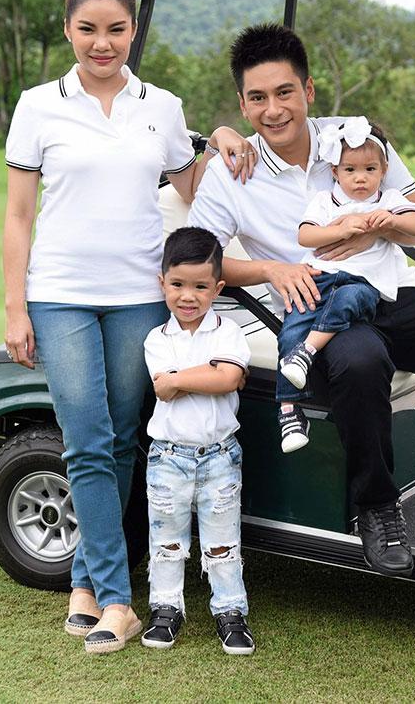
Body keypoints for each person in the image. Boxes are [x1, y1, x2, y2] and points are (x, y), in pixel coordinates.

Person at [188, 23, 415, 577]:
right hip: (319, 310)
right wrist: (271, 268)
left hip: (392, 293)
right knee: (361, 361)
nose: (273, 110)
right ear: (242, 103)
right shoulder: (231, 171)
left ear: (308, 90)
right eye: (257, 98)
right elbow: (201, 262)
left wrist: (379, 227)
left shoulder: (357, 141)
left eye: (284, 92)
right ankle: (377, 508)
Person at [1, 0, 255, 655]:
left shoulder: (162, 107)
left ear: (133, 30)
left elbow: (198, 191)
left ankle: (86, 583)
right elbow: (18, 217)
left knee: (118, 441)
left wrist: (221, 136)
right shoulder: (37, 106)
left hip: (139, 297)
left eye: (115, 29)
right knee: (86, 440)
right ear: (68, 30)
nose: (102, 43)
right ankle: (119, 600)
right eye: (88, 29)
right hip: (60, 295)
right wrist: (16, 306)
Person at [275, 118, 415, 454]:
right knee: (291, 325)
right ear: (335, 172)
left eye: (370, 169)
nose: (360, 178)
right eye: (350, 170)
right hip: (320, 276)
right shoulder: (325, 201)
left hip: (363, 280)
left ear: (384, 171)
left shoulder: (387, 200)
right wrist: (340, 230)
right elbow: (306, 235)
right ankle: (289, 410)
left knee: (349, 300)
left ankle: (308, 350)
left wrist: (392, 221)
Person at [140, 227, 255, 654]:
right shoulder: (157, 338)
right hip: (168, 456)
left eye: (200, 287)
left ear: (217, 288)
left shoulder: (229, 332)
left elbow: (228, 377)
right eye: (178, 285)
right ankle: (165, 608)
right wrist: (206, 375)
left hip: (220, 455)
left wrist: (183, 378)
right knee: (166, 540)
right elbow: (163, 388)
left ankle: (230, 611)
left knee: (223, 542)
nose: (188, 297)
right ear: (162, 283)